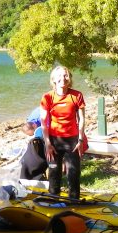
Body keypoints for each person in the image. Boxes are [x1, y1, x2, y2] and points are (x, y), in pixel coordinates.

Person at [40, 65, 86, 199]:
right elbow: (44, 122)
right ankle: (54, 200)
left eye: (66, 75)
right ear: (53, 79)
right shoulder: (47, 97)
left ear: (69, 78)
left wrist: (80, 140)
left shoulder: (77, 95)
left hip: (72, 141)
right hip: (54, 141)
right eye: (59, 76)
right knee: (54, 173)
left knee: (73, 173)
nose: (63, 78)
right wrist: (48, 143)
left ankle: (74, 201)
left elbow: (82, 119)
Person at [19, 106, 48, 180]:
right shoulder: (29, 121)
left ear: (35, 125)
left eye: (33, 133)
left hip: (48, 111)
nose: (33, 135)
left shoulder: (44, 119)